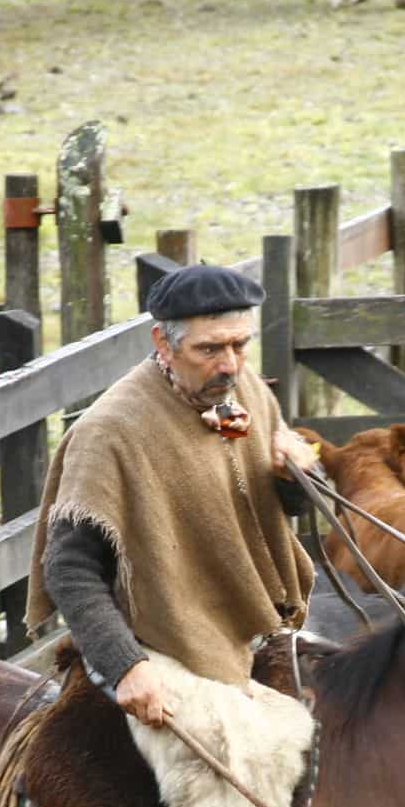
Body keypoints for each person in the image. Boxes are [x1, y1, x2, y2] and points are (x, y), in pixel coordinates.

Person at [26, 261, 319, 723]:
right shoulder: (110, 432)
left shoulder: (246, 391)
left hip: (258, 626)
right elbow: (68, 568)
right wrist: (126, 666)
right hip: (160, 645)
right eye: (210, 349)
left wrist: (300, 474)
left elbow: (286, 509)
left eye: (240, 345)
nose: (230, 365)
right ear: (163, 342)